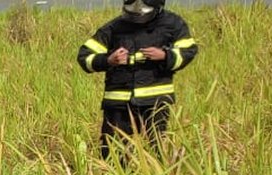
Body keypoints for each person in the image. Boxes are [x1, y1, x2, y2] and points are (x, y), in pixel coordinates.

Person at [77, 0, 198, 160]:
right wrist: (108, 60)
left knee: (158, 151)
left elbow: (189, 51)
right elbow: (84, 56)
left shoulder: (173, 23)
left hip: (155, 102)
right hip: (118, 104)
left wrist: (165, 56)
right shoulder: (114, 27)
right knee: (113, 153)